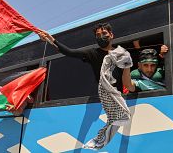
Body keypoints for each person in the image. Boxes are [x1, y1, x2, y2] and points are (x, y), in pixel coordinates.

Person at [38, 22, 135, 150]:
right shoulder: (92, 54)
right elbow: (70, 52)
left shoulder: (122, 55)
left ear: (111, 35)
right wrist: (51, 40)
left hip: (119, 97)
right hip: (105, 96)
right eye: (98, 35)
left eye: (104, 33)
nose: (101, 37)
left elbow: (128, 84)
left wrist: (139, 87)